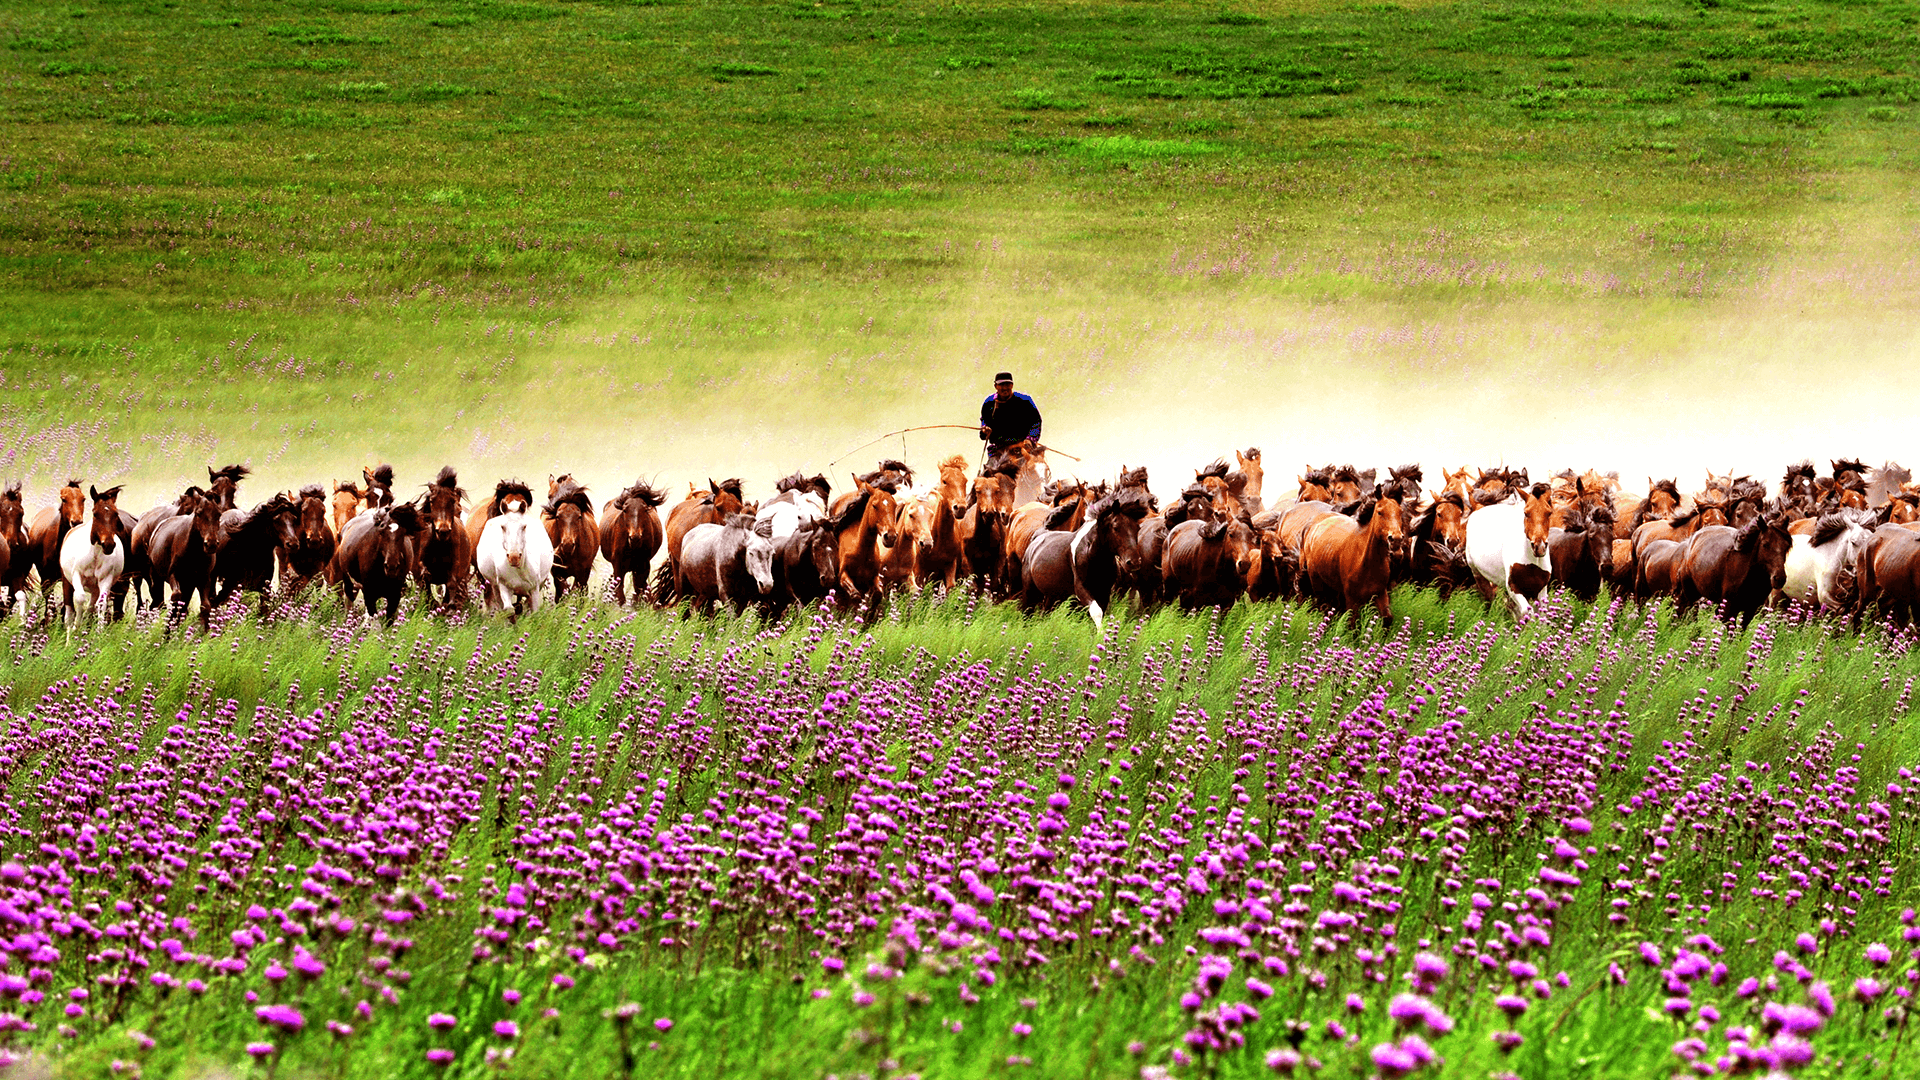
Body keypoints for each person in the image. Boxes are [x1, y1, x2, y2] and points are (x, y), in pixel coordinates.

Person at [978, 372, 1042, 454]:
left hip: (1023, 447)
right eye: (1001, 385)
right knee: (991, 467)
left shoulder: (1025, 401)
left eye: (1007, 384)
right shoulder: (989, 403)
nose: (1005, 388)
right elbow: (984, 424)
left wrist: (1030, 439)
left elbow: (1036, 421)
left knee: (1037, 466)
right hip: (999, 449)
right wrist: (984, 430)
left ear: (1012, 385)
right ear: (995, 386)